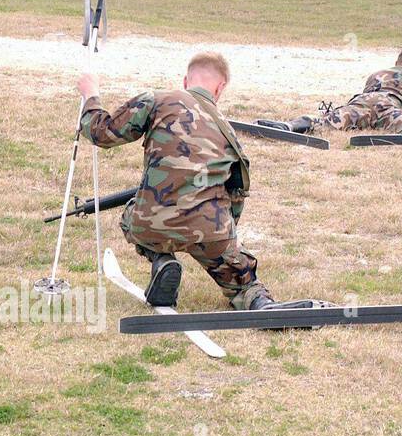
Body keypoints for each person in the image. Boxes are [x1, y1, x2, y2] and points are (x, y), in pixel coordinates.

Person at [77, 51, 275, 312]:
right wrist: (226, 243)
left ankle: (161, 261)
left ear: (185, 81)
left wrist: (91, 95)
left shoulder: (157, 100)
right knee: (244, 284)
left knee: (130, 215)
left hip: (152, 223)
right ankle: (258, 302)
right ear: (221, 86)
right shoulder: (229, 134)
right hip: (210, 230)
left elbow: (102, 134)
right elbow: (237, 194)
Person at [270, 45, 402, 135]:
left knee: (328, 121)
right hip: (390, 106)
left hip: (362, 102)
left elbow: (366, 94)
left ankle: (290, 126)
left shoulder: (377, 73)